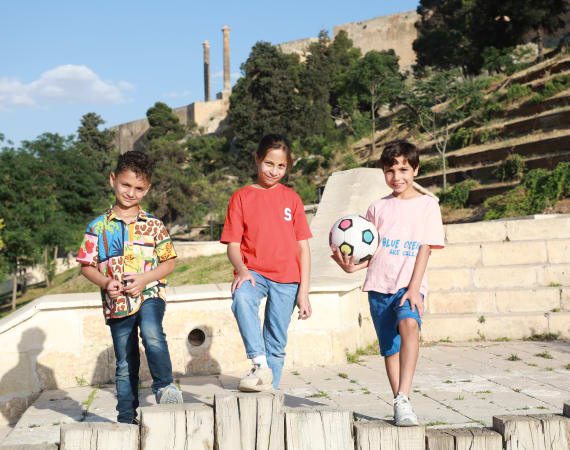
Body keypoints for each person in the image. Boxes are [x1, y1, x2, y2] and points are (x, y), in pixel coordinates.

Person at [332, 140, 444, 426]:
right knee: (390, 349)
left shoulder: (427, 205)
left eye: (404, 169)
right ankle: (399, 402)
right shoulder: (377, 208)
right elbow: (372, 252)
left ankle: (404, 395)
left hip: (409, 287)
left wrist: (414, 288)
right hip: (379, 287)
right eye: (390, 170)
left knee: (410, 325)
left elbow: (426, 248)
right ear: (384, 172)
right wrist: (352, 266)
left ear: (415, 170)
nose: (397, 177)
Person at [77, 151, 182, 424]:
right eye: (126, 185)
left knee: (152, 332)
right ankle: (126, 417)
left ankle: (164, 386)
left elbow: (169, 263)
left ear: (146, 189)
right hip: (117, 304)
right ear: (113, 180)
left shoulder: (155, 225)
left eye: (138, 188)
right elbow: (86, 265)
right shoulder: (97, 227)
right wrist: (106, 282)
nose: (131, 192)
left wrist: (146, 279)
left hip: (150, 294)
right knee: (125, 363)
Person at [220, 133, 313, 392]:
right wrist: (242, 270)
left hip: (288, 279)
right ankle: (259, 363)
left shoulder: (292, 199)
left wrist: (303, 293)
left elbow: (303, 248)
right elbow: (233, 245)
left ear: (287, 167)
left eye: (281, 166)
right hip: (254, 273)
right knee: (242, 298)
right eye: (269, 163)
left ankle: (269, 389)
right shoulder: (241, 197)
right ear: (257, 160)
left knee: (276, 340)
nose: (274, 171)